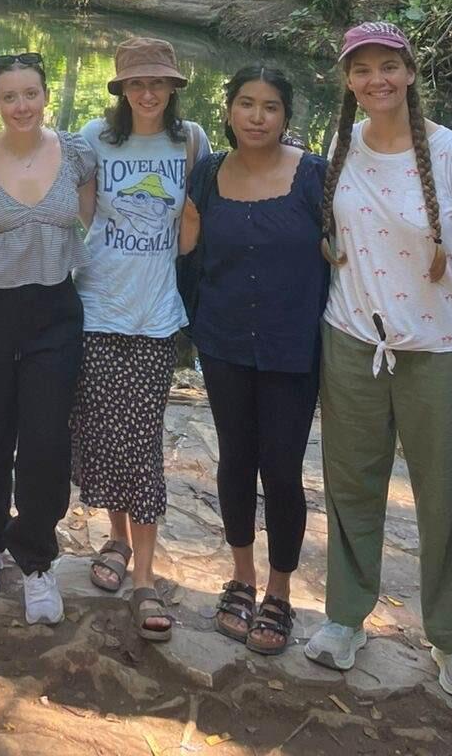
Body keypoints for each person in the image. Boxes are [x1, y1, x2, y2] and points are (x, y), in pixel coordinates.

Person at [305, 22, 452, 704]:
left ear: (411, 72)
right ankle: (344, 618)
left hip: (439, 352)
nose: (376, 80)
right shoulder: (339, 148)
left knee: (446, 500)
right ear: (347, 81)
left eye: (388, 66)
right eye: (361, 70)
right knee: (351, 486)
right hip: (352, 343)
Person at [180, 66, 327, 656]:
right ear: (229, 110)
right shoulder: (208, 173)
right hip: (224, 343)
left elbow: (346, 251)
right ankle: (241, 578)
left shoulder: (314, 176)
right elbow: (187, 250)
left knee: (282, 468)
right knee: (236, 460)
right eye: (246, 103)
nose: (257, 117)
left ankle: (279, 591)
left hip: (294, 346)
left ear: (286, 116)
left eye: (270, 106)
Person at [0, 50, 96, 626]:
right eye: (9, 96)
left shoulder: (76, 153)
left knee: (45, 441)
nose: (21, 106)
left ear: (45, 96)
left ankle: (37, 558)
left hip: (54, 310)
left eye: (30, 94)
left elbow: (98, 222)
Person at [72, 37, 209, 644]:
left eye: (158, 83)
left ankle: (145, 579)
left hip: (156, 314)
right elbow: (82, 215)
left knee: (142, 439)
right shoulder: (94, 138)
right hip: (98, 306)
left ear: (174, 88)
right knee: (105, 431)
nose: (147, 93)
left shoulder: (191, 141)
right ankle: (117, 539)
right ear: (122, 90)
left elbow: (192, 228)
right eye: (136, 83)